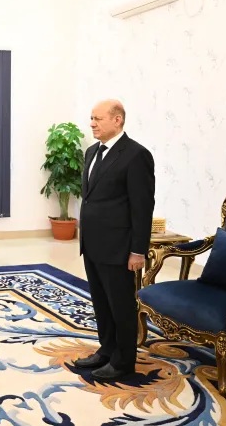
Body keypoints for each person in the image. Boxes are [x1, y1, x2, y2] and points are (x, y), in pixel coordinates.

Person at [74, 99, 155, 383]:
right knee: (101, 303)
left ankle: (123, 361)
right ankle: (107, 349)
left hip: (119, 247)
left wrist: (138, 250)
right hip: (93, 244)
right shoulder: (91, 152)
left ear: (117, 120)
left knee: (121, 306)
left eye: (97, 119)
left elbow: (142, 207)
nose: (92, 124)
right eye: (91, 118)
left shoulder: (136, 155)